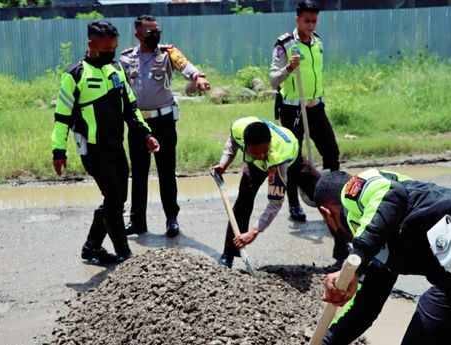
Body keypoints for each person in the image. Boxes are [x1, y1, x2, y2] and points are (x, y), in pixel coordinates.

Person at [314, 169, 451, 345]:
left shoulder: (358, 191)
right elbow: (364, 308)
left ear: (327, 213)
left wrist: (356, 260)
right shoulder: (378, 240)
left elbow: (390, 193)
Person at [50, 21, 159, 264]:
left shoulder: (116, 69)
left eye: (115, 47)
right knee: (113, 196)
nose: (112, 51)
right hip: (92, 148)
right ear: (92, 44)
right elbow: (62, 117)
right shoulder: (74, 75)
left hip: (116, 147)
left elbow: (131, 108)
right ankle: (124, 253)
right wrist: (58, 150)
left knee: (117, 198)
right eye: (108, 47)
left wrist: (146, 134)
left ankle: (92, 247)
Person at [119, 15, 210, 238]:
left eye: (157, 30)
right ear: (138, 34)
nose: (155, 35)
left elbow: (185, 65)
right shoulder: (126, 58)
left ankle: (172, 219)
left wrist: (198, 76)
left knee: (166, 172)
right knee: (139, 173)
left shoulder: (168, 53)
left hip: (164, 121)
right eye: (149, 32)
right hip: (139, 123)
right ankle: (137, 220)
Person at [211, 116, 320, 268]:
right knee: (243, 202)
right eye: (255, 152)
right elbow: (232, 143)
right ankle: (228, 255)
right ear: (246, 144)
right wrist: (224, 164)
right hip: (255, 166)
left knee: (325, 195)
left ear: (269, 143)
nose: (262, 156)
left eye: (265, 150)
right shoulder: (239, 128)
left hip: (292, 162)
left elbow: (275, 203)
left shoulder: (277, 157)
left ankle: (344, 249)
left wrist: (255, 231)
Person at [270, 0, 340, 223]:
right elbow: (273, 80)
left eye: (314, 21)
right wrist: (289, 67)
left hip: (316, 107)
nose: (311, 25)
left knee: (331, 152)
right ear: (297, 19)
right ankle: (294, 204)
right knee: (293, 157)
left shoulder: (318, 42)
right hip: (293, 109)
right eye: (306, 21)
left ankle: (334, 198)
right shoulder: (284, 44)